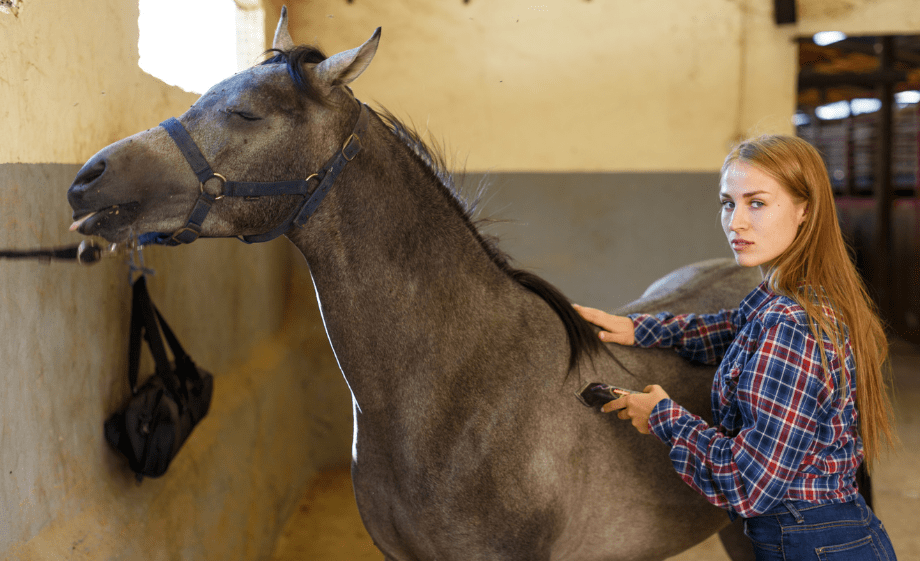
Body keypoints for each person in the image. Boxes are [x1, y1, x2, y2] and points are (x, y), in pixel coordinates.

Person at [575, 134, 898, 560]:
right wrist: (641, 329)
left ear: (805, 210)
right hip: (828, 535)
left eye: (757, 203)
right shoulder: (793, 298)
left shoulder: (792, 324)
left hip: (811, 545)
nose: (736, 222)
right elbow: (735, 327)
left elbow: (748, 484)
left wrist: (662, 417)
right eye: (729, 203)